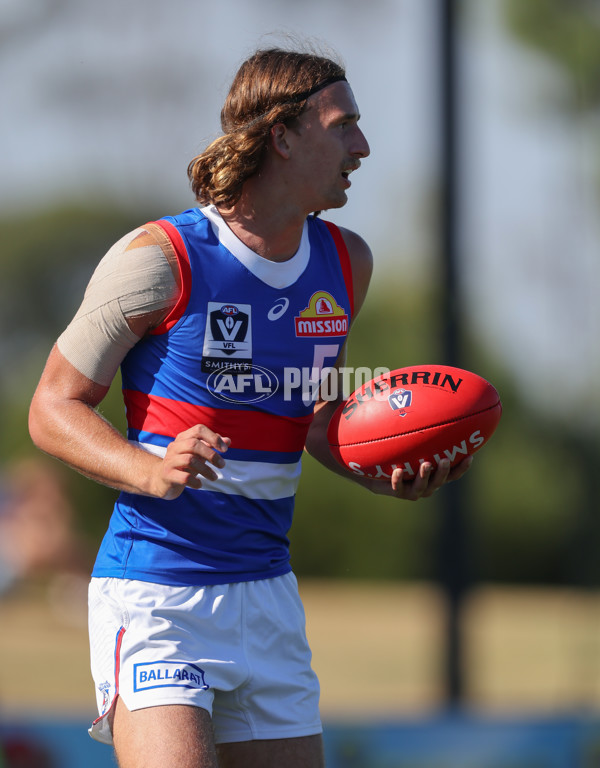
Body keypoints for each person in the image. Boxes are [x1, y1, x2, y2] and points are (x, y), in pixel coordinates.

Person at [28, 46, 471, 768]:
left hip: (267, 598)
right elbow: (52, 407)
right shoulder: (161, 256)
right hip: (158, 597)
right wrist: (148, 468)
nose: (362, 147)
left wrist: (379, 461)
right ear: (283, 135)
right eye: (343, 126)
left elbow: (316, 418)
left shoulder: (345, 262)